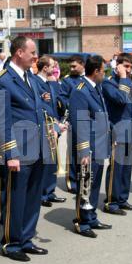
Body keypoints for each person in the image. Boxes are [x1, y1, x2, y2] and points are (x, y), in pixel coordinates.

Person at [0, 36, 48, 262]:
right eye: (32, 52)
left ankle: (26, 238)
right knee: (16, 198)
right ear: (19, 53)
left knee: (33, 196)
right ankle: (11, 243)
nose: (36, 56)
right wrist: (10, 153)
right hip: (19, 151)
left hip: (38, 147)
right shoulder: (2, 80)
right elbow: (0, 120)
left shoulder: (30, 77)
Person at [68, 55, 112, 237]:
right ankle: (82, 221)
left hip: (100, 144)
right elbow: (81, 123)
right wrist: (84, 149)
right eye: (103, 71)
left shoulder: (95, 87)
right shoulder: (80, 91)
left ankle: (91, 216)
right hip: (90, 147)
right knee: (85, 183)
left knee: (94, 184)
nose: (105, 74)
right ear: (96, 72)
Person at [102, 53, 132, 215]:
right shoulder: (109, 83)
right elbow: (121, 99)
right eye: (126, 66)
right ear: (117, 66)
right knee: (116, 167)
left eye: (131, 67)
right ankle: (111, 202)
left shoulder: (128, 82)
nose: (129, 70)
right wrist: (123, 77)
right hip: (116, 129)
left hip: (129, 127)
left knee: (126, 167)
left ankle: (122, 198)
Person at [33, 56, 67, 208]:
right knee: (45, 163)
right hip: (45, 128)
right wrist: (54, 126)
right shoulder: (36, 82)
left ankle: (50, 191)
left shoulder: (50, 82)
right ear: (45, 68)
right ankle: (41, 194)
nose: (55, 68)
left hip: (53, 125)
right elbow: (41, 107)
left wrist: (59, 123)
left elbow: (56, 104)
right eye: (53, 66)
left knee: (52, 162)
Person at [58, 54, 85, 193]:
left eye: (74, 66)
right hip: (74, 119)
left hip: (88, 120)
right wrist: (72, 105)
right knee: (74, 151)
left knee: (86, 152)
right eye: (70, 66)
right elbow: (62, 97)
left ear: (82, 64)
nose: (72, 68)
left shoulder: (88, 78)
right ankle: (72, 182)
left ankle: (84, 179)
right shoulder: (68, 81)